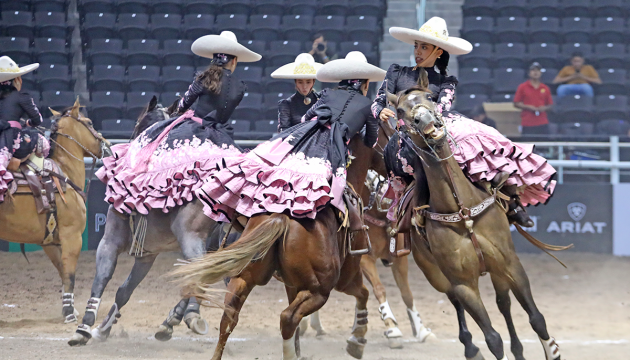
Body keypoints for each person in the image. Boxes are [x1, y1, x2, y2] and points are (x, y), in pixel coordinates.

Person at [374, 17, 558, 227]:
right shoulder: (397, 72)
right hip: (407, 131)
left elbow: (443, 107)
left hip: (438, 125)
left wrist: (428, 118)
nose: (418, 51)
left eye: (424, 47)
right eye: (417, 46)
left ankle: (511, 200)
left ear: (438, 51)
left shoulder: (446, 81)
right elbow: (378, 101)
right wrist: (381, 111)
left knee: (486, 136)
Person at [196, 51, 384, 221]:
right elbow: (371, 141)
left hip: (303, 136)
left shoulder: (327, 93)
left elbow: (306, 117)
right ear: (366, 84)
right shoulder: (369, 106)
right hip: (332, 147)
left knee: (277, 169)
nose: (304, 85)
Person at [96, 31, 261, 214]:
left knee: (154, 151)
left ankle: (143, 204)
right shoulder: (241, 87)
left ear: (214, 58)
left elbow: (183, 104)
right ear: (234, 61)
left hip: (195, 130)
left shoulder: (203, 78)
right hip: (222, 135)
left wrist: (179, 112)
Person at [0, 56, 47, 203]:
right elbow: (38, 120)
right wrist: (26, 123)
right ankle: (44, 184)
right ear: (17, 80)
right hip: (11, 139)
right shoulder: (22, 97)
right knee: (43, 142)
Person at [270, 53, 322, 132]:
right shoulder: (287, 104)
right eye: (300, 82)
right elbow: (284, 131)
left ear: (313, 82)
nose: (304, 86)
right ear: (295, 82)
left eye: (308, 82)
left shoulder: (321, 100)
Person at [514, 62, 553, 137]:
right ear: (529, 73)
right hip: (527, 121)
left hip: (542, 121)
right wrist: (528, 107)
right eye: (533, 70)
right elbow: (516, 103)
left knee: (544, 146)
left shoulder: (545, 88)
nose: (536, 72)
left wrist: (544, 108)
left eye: (538, 70)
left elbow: (550, 105)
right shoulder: (522, 87)